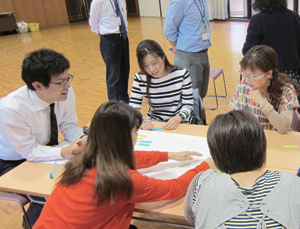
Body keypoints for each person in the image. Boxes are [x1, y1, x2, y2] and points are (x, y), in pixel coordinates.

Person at [33, 101, 213, 229]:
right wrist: (204, 166)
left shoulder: (84, 154)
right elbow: (172, 188)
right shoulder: (123, 181)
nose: (138, 134)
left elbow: (126, 157)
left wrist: (168, 155)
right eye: (136, 131)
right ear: (123, 137)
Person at [0, 48, 86, 227]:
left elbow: (68, 126)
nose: (67, 86)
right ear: (38, 85)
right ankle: (33, 224)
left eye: (68, 78)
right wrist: (64, 151)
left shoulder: (64, 93)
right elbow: (29, 151)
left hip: (43, 150)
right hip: (12, 160)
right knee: (53, 185)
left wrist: (83, 139)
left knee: (81, 172)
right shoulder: (12, 108)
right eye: (61, 82)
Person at [184, 110, 300, 228]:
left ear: (216, 154)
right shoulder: (293, 182)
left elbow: (191, 218)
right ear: (262, 146)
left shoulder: (202, 182)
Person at [229, 45, 300, 134]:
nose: (247, 80)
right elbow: (236, 116)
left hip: (276, 138)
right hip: (252, 138)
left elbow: (284, 128)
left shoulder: (286, 90)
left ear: (269, 74)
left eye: (253, 76)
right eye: (245, 74)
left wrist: (263, 103)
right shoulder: (243, 85)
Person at [129, 39, 194, 130]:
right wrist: (140, 122)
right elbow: (133, 108)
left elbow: (188, 105)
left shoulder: (181, 74)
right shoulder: (140, 78)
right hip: (154, 124)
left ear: (163, 57)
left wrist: (177, 118)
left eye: (154, 63)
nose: (151, 69)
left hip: (180, 123)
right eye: (145, 66)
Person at [163, 0, 212, 122]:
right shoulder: (180, 2)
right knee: (192, 99)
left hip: (203, 53)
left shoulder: (201, 1)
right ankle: (194, 126)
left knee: (201, 95)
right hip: (188, 56)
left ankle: (198, 122)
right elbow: (169, 30)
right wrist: (179, 47)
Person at [242, 0, 300, 86]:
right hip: (292, 73)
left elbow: (247, 51)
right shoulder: (294, 16)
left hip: (268, 74)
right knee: (290, 98)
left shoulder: (258, 19)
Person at [89, 0, 130, 103]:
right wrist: (104, 37)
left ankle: (124, 99)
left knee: (125, 70)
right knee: (113, 74)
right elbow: (93, 22)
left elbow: (123, 16)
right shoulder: (98, 1)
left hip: (123, 37)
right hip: (109, 39)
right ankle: (114, 103)